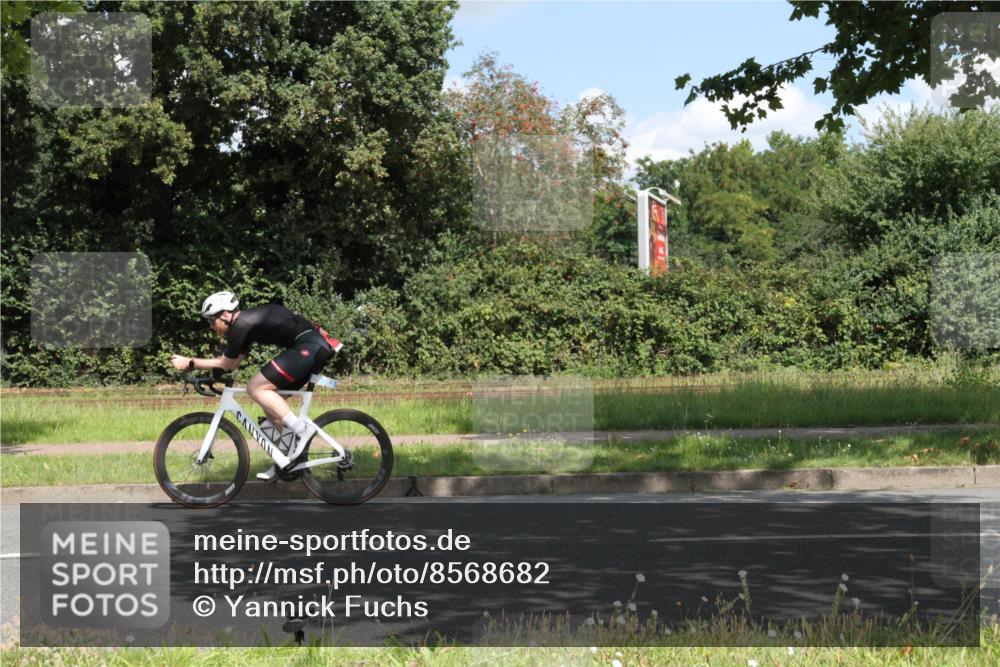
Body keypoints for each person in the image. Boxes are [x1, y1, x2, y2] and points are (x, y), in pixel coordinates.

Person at [170, 291, 341, 481]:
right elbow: (232, 366)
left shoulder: (242, 324)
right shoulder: (247, 326)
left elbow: (225, 364)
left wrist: (189, 362)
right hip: (311, 347)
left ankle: (302, 430)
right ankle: (286, 461)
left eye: (212, 321)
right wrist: (211, 377)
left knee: (255, 388)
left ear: (226, 315)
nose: (211, 326)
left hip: (309, 346)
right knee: (271, 405)